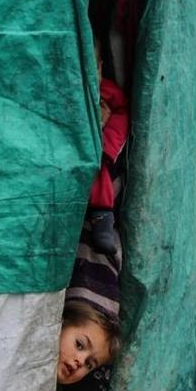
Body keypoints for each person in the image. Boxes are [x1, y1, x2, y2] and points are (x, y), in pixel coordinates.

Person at [88, 37, 129, 255]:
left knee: (100, 173)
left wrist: (107, 146)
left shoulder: (107, 91)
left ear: (101, 66)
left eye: (93, 64)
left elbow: (122, 114)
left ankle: (102, 214)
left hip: (99, 148)